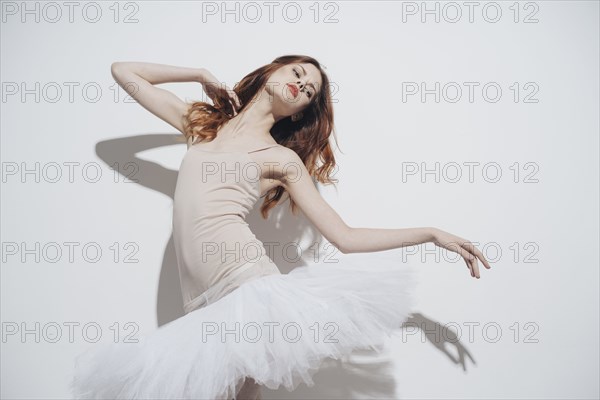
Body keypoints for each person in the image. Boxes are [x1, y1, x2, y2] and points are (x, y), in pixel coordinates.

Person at [70, 55, 491, 399]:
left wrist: (433, 234)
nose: (302, 85)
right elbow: (123, 72)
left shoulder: (281, 160)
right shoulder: (200, 125)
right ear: (272, 71)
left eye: (309, 91)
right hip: (199, 305)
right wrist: (200, 75)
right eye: (297, 73)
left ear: (301, 111)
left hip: (247, 289)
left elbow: (345, 237)